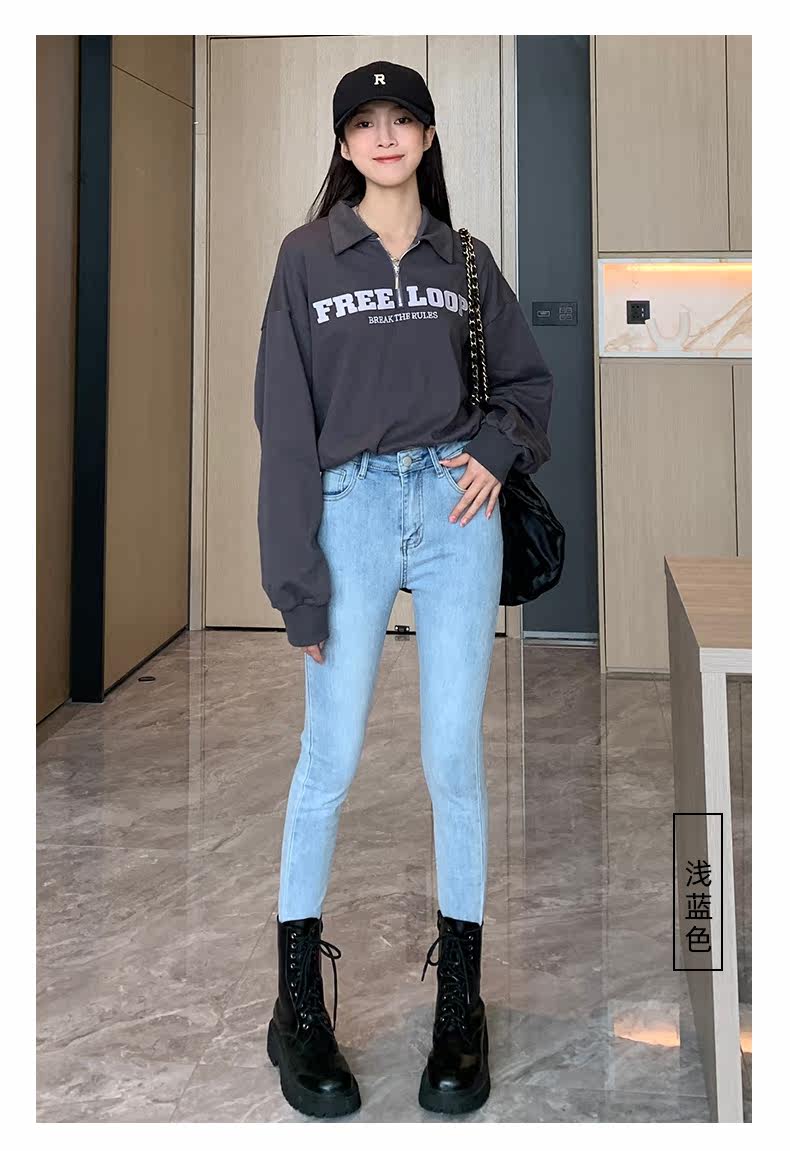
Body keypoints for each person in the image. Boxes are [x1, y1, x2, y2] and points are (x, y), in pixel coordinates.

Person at [253, 60, 554, 1119]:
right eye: (365, 123)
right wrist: (296, 582)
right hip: (350, 512)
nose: (385, 137)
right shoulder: (306, 257)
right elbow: (284, 424)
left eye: (403, 120)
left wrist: (493, 451)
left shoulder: (463, 260)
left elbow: (525, 383)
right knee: (328, 756)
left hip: (455, 513)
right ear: (344, 145)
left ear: (427, 138)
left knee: (453, 758)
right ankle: (296, 1006)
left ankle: (460, 1006)